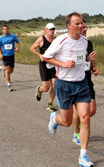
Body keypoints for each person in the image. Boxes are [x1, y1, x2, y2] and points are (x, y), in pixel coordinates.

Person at [43, 12, 96, 167]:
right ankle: (54, 119)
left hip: (81, 84)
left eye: (82, 24)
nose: (81, 26)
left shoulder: (84, 41)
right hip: (64, 85)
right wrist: (62, 64)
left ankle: (83, 155)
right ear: (69, 26)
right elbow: (46, 57)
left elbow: (79, 57)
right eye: (77, 24)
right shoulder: (61, 40)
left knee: (85, 118)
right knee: (66, 122)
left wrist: (88, 60)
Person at [72, 20, 99, 145]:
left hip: (87, 78)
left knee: (92, 110)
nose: (84, 29)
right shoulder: (73, 44)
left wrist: (94, 68)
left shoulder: (89, 43)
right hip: (77, 80)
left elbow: (90, 58)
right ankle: (76, 133)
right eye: (82, 27)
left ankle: (82, 126)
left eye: (85, 27)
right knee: (79, 111)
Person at [30, 23, 57, 111]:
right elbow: (32, 48)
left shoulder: (56, 40)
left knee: (55, 86)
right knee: (46, 87)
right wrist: (40, 55)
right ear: (45, 30)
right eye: (50, 29)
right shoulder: (41, 39)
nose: (52, 31)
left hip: (53, 65)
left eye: (53, 29)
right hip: (44, 65)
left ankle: (50, 104)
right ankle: (40, 90)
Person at [0, 25, 20, 91]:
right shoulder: (0, 38)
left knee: (11, 70)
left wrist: (17, 48)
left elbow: (18, 42)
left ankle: (1, 67)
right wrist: (0, 54)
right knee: (7, 69)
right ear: (2, 30)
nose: (5, 30)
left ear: (8, 29)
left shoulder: (13, 36)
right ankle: (9, 84)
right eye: (4, 29)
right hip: (5, 56)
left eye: (6, 29)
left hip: (12, 55)